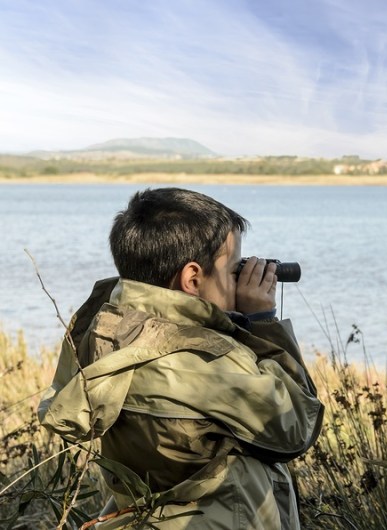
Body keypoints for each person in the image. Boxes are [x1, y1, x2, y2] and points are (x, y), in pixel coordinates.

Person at [38, 187, 323, 529]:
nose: (240, 280)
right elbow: (296, 428)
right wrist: (262, 322)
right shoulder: (200, 362)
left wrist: (221, 318)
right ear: (192, 278)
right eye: (234, 270)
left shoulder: (111, 331)